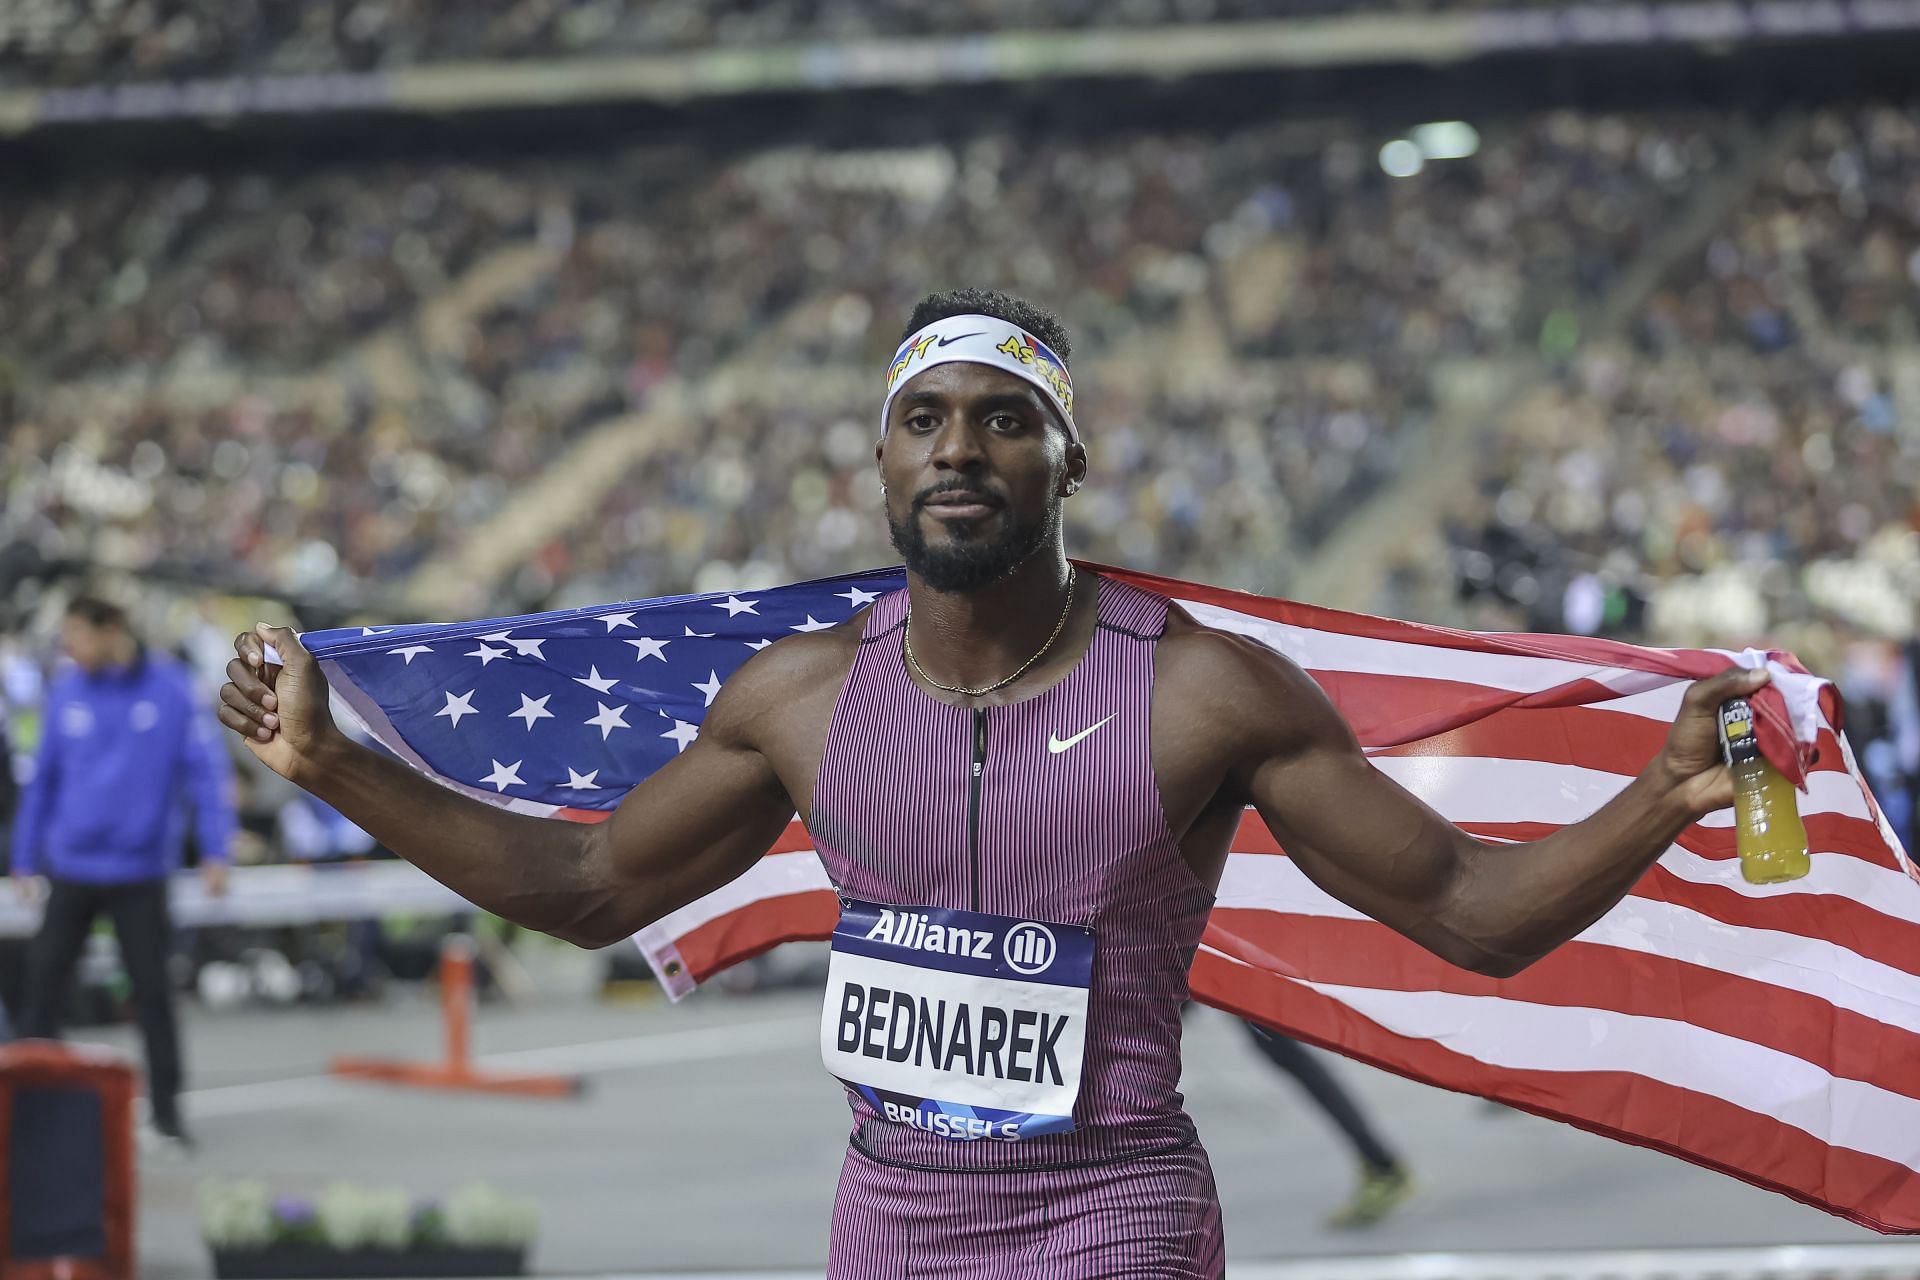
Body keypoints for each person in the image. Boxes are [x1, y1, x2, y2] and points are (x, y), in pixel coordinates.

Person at [216, 288, 1770, 1278]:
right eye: (925, 419)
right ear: (881, 465)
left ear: (1065, 466)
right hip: (884, 1225)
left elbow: (1473, 913)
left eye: (1006, 420)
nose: (961, 449)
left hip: (1118, 1219)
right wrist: (334, 762)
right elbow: (586, 888)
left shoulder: (1203, 690)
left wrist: (1661, 794)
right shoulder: (803, 697)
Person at [10, 595, 235, 1149]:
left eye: (78, 636)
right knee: (42, 989)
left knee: (154, 995)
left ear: (112, 630)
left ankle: (166, 1116)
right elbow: (41, 785)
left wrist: (216, 850)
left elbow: (206, 775)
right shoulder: (64, 692)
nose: (69, 648)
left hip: (139, 872)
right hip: (72, 869)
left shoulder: (171, 689)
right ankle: (32, 1115)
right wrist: (22, 856)